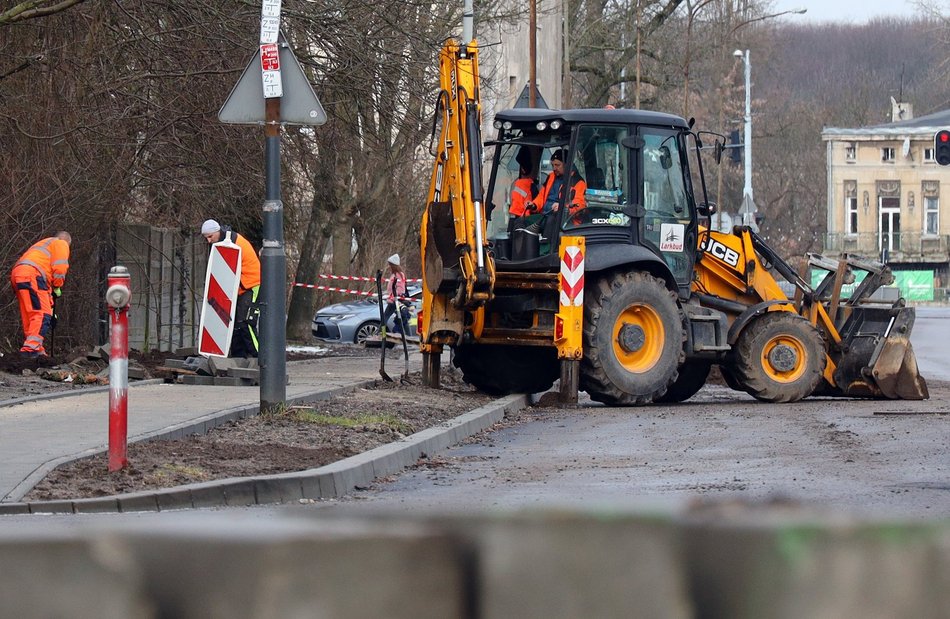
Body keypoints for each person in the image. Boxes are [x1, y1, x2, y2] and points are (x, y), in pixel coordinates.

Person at [201, 219, 262, 358]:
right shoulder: (225, 241)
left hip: (251, 285)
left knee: (246, 322)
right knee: (235, 324)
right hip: (240, 287)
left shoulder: (232, 244)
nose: (209, 241)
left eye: (210, 237)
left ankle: (260, 359)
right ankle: (238, 359)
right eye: (206, 238)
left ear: (218, 232)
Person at [10, 231, 71, 357]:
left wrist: (51, 297)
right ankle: (31, 348)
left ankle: (36, 348)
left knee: (30, 314)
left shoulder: (43, 245)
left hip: (18, 274)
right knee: (43, 314)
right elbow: (60, 269)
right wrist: (57, 285)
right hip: (33, 274)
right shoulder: (61, 243)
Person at [526, 148, 587, 218]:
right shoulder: (551, 177)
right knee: (520, 222)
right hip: (544, 215)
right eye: (553, 165)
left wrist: (562, 208)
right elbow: (541, 197)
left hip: (561, 219)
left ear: (567, 164)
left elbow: (579, 205)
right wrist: (534, 205)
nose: (554, 168)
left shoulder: (578, 182)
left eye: (557, 165)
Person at [382, 253, 411, 337]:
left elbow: (400, 289)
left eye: (390, 265)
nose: (389, 266)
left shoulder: (399, 275)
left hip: (395, 301)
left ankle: (381, 334)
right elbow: (392, 287)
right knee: (402, 320)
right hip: (393, 300)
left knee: (385, 317)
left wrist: (395, 297)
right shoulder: (394, 275)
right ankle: (409, 336)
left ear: (393, 265)